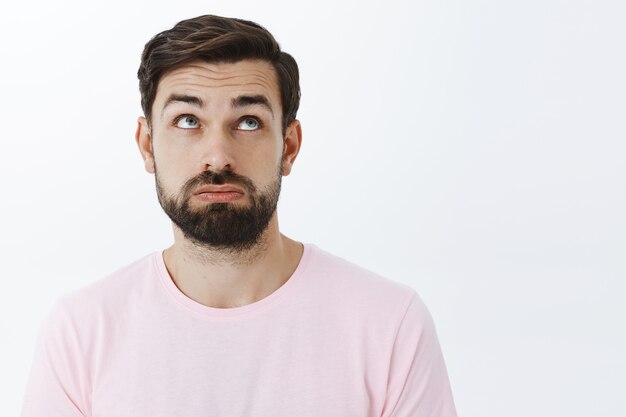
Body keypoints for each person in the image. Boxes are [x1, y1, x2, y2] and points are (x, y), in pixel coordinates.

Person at [21, 14, 457, 417]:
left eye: (248, 122)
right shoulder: (81, 333)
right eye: (188, 120)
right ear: (147, 145)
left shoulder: (389, 324)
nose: (217, 157)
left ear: (288, 146)